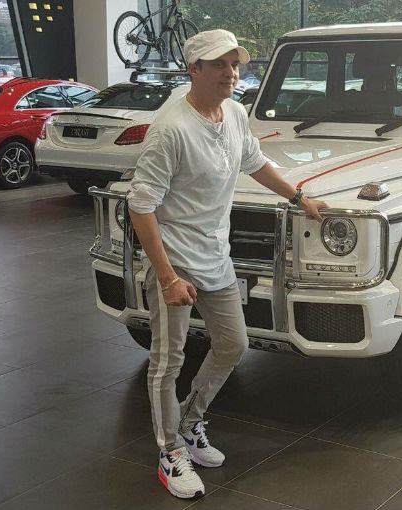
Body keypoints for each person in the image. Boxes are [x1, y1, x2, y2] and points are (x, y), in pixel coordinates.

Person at [126, 29, 327, 500]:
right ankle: (169, 451)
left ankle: (192, 422)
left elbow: (255, 163)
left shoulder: (235, 113)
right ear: (193, 69)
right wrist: (168, 277)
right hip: (174, 260)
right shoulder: (170, 128)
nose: (231, 73)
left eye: (234, 64)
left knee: (233, 344)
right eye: (219, 64)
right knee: (167, 359)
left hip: (215, 255)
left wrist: (298, 196)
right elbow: (141, 206)